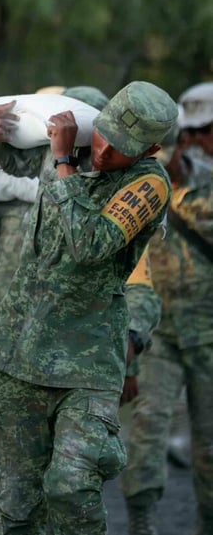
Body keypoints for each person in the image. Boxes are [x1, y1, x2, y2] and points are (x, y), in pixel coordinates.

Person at [0, 85, 160, 535]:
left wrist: (62, 164)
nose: (100, 150)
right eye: (97, 137)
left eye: (115, 146)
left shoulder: (140, 185)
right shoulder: (56, 160)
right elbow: (6, 161)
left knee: (72, 485)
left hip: (84, 363)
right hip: (17, 351)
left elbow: (92, 247)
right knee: (10, 495)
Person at [120, 82, 213, 535]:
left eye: (206, 132)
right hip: (158, 334)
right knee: (147, 433)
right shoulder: (154, 179)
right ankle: (142, 523)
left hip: (209, 335)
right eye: (189, 134)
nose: (196, 143)